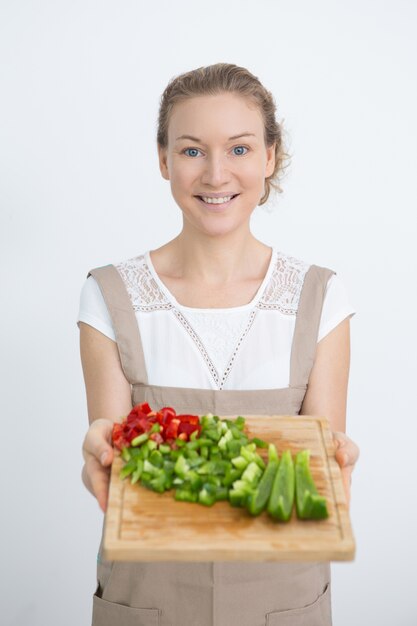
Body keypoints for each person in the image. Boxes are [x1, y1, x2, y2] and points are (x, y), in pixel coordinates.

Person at [78, 62, 360, 626]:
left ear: (269, 158)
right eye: (190, 151)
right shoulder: (107, 294)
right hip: (147, 596)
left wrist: (337, 464)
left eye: (238, 149)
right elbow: (110, 448)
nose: (214, 174)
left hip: (284, 600)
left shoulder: (321, 295)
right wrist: (97, 454)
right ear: (163, 161)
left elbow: (323, 456)